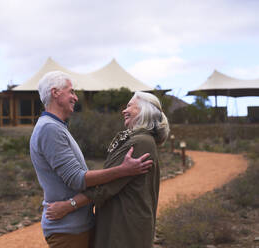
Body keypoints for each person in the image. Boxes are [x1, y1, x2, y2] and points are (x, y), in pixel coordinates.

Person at [30, 71, 154, 248]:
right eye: (71, 91)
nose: (75, 97)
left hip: (75, 226)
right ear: (55, 92)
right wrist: (123, 170)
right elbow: (77, 179)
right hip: (68, 230)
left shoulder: (56, 127)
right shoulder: (50, 129)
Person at [45, 91, 170, 248]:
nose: (124, 111)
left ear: (144, 111)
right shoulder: (140, 140)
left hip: (124, 227)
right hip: (126, 223)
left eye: (130, 106)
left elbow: (107, 186)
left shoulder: (140, 142)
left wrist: (69, 205)